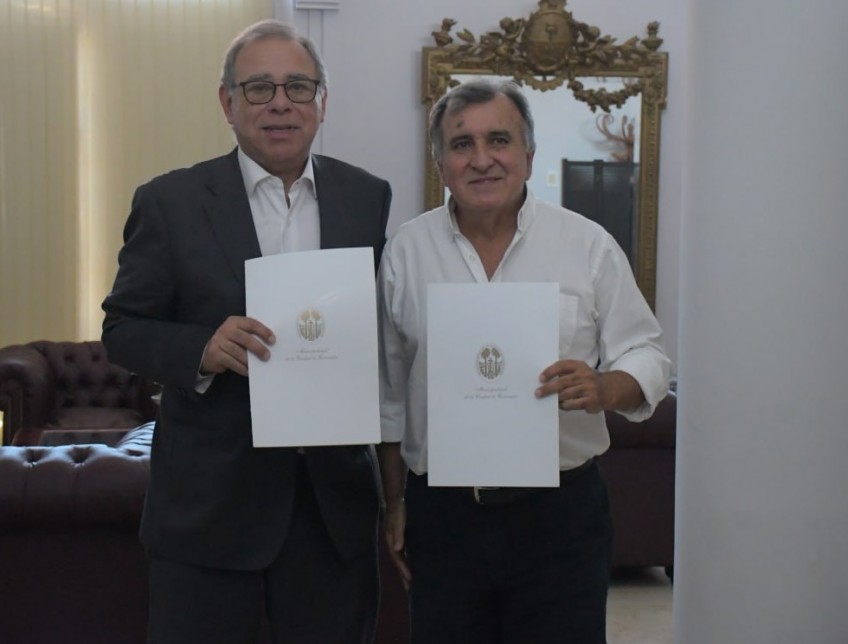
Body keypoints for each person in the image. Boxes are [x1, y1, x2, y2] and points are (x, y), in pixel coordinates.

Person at [102, 20, 391, 644]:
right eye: (259, 87)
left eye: (298, 87)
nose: (280, 103)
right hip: (208, 508)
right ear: (227, 102)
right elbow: (122, 328)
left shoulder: (367, 197)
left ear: (322, 101)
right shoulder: (170, 202)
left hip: (331, 507)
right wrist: (201, 349)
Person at [376, 78, 671, 643]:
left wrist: (605, 386)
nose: (481, 158)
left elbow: (648, 354)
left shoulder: (587, 245)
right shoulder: (406, 252)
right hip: (444, 516)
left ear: (529, 156)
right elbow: (389, 393)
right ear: (440, 164)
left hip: (560, 516)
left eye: (499, 140)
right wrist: (395, 503)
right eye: (462, 144)